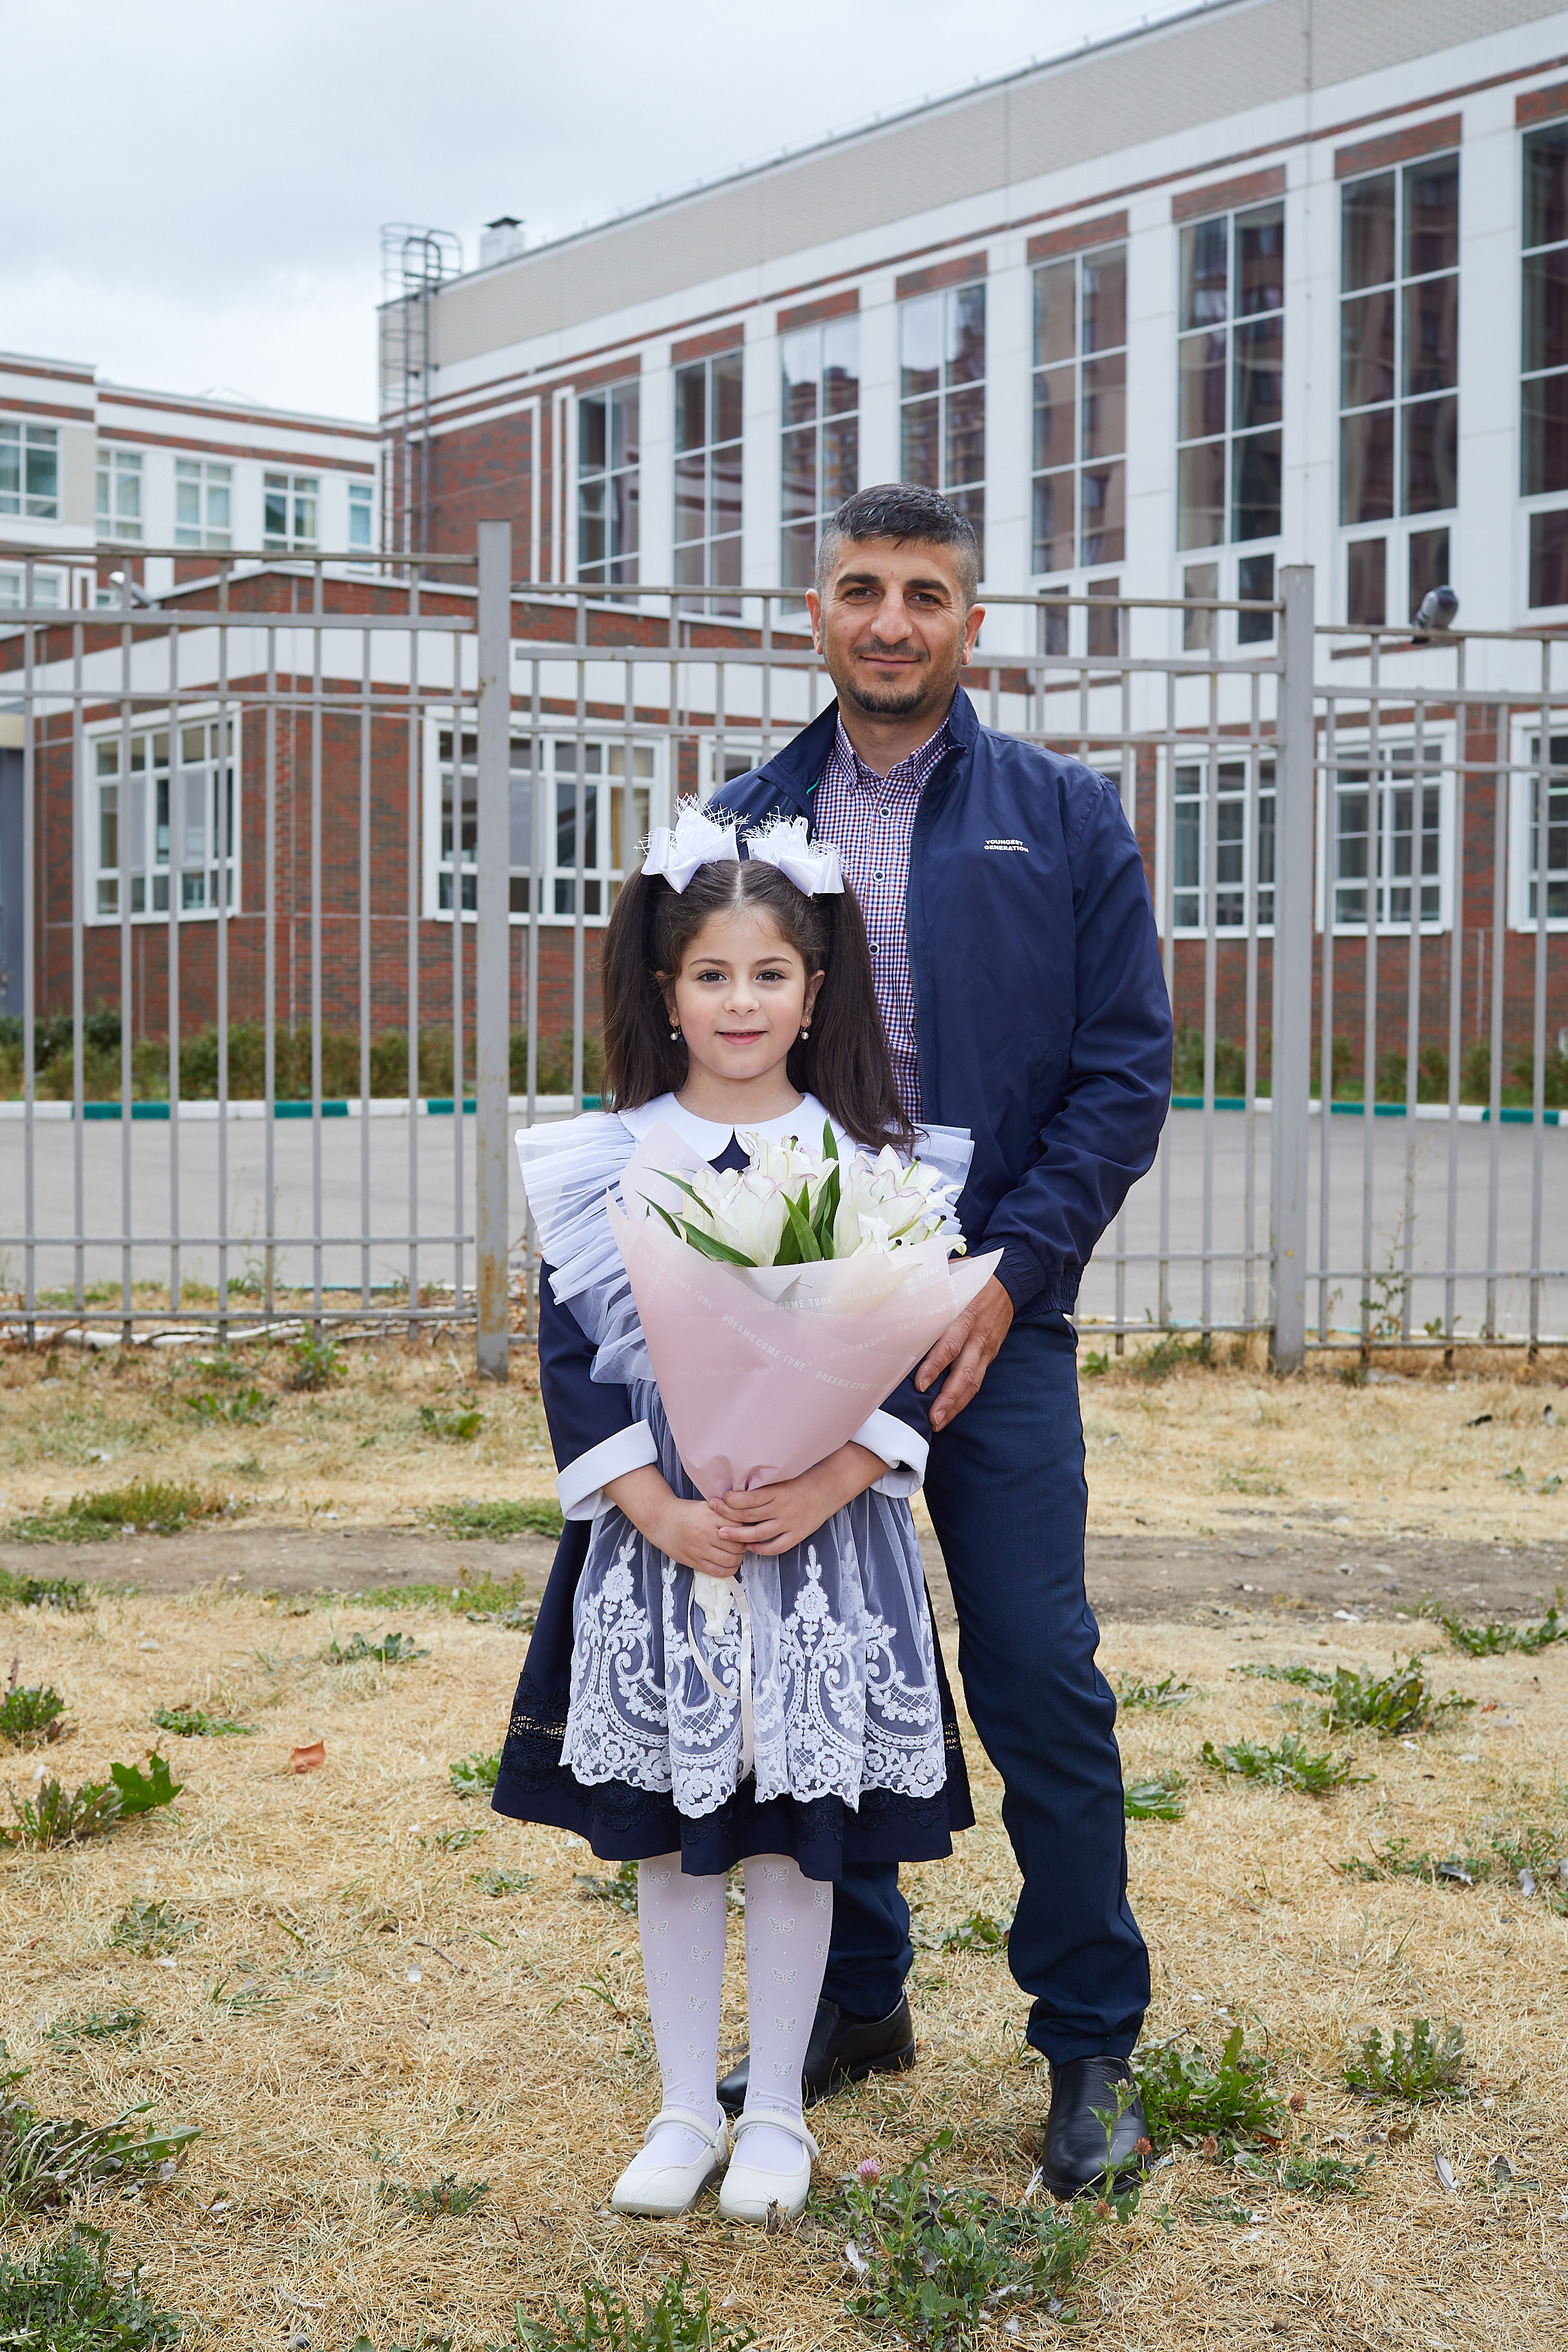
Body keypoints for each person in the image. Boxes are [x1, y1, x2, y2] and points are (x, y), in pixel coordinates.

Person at [708, 482, 1173, 2199]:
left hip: (996, 1318)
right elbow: (690, 1067)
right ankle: (857, 1999)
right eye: (859, 589)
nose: (889, 620)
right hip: (797, 1321)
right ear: (813, 613)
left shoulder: (1059, 813)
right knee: (819, 1673)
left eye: (924, 593)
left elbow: (1124, 1074)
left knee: (1036, 1672)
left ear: (971, 621)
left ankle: (1088, 2045)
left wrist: (1006, 1278)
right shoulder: (741, 823)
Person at [491, 817, 976, 2225]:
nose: (743, 1003)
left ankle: (775, 2116)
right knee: (673, 1829)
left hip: (822, 1555)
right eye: (712, 976)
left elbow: (909, 1358)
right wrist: (651, 1506)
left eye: (771, 974)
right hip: (664, 1556)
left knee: (793, 1832)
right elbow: (574, 1355)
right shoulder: (607, 1157)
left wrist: (831, 1479)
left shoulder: (876, 1160)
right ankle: (681, 2107)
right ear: (665, 991)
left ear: (814, 992)